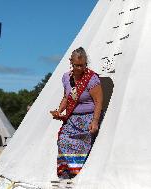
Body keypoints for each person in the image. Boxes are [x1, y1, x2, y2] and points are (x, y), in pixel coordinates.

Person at [50, 47, 103, 179]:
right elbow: (66, 97)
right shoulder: (66, 78)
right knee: (62, 140)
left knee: (80, 144)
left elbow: (98, 101)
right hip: (72, 119)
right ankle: (66, 170)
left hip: (88, 118)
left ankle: (76, 174)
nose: (80, 68)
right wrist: (59, 111)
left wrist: (95, 121)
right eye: (77, 65)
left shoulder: (92, 79)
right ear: (71, 62)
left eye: (83, 65)